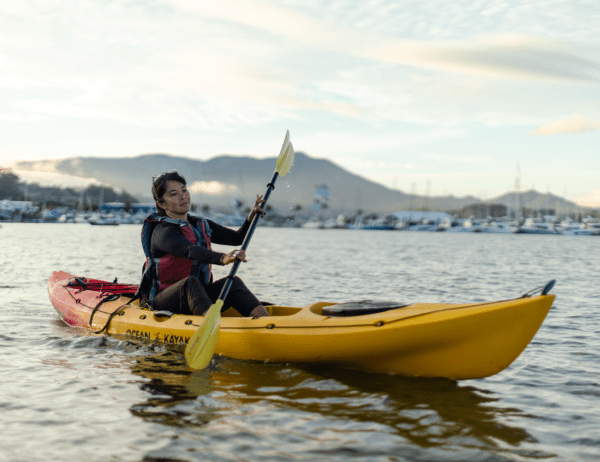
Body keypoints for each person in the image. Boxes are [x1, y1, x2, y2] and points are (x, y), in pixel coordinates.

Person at [139, 170, 269, 318]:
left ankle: (267, 326)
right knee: (191, 283)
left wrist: (251, 217)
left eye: (184, 190)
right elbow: (189, 250)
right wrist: (222, 258)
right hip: (163, 298)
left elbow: (236, 239)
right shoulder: (163, 232)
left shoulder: (200, 224)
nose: (183, 196)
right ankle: (211, 326)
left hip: (196, 295)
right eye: (174, 194)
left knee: (233, 282)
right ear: (161, 204)